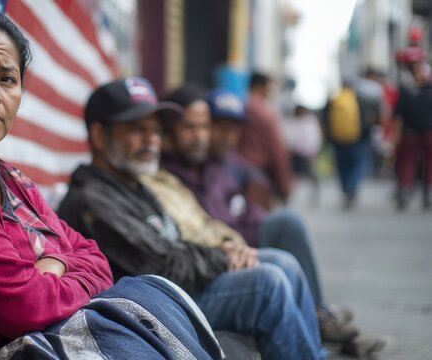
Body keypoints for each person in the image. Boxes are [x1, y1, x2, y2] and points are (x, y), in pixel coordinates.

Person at [0, 10, 224, 359]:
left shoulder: (7, 175)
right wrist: (51, 274)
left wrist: (53, 265)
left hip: (44, 338)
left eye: (7, 79)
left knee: (146, 289)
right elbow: (25, 307)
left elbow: (95, 259)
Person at [58, 77, 328, 360]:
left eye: (156, 130)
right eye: (137, 130)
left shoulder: (132, 183)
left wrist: (224, 251)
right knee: (267, 284)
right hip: (151, 310)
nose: (152, 139)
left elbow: (177, 243)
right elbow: (163, 264)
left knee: (282, 263)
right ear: (100, 136)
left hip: (178, 290)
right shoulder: (95, 198)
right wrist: (222, 257)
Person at [152, 85, 385, 357]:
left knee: (285, 247)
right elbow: (192, 238)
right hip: (200, 269)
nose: (202, 136)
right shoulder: (164, 177)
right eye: (191, 128)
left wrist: (234, 237)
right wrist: (227, 248)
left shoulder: (216, 167)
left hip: (229, 246)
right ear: (168, 132)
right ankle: (318, 322)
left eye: (205, 127)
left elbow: (241, 210)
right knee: (270, 278)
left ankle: (315, 330)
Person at [238, 72, 294, 204]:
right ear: (262, 87)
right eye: (269, 87)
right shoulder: (266, 114)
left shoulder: (240, 107)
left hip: (234, 174)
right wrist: (284, 186)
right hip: (258, 179)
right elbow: (277, 151)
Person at [323, 82, 371, 209]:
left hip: (337, 140)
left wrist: (329, 138)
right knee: (356, 165)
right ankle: (353, 187)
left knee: (342, 166)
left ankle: (345, 189)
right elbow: (366, 120)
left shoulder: (334, 100)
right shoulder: (358, 99)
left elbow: (325, 120)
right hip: (355, 139)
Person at [392, 60, 432, 210]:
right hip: (420, 132)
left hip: (412, 132)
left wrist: (395, 136)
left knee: (408, 162)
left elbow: (397, 116)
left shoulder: (406, 91)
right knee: (420, 162)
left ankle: (407, 190)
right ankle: (424, 191)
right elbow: (397, 117)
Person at [283, 105, 322, 202]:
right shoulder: (295, 122)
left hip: (305, 154)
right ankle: (289, 195)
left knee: (310, 176)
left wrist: (313, 153)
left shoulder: (309, 122)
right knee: (294, 176)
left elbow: (313, 139)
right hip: (296, 153)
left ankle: (314, 196)